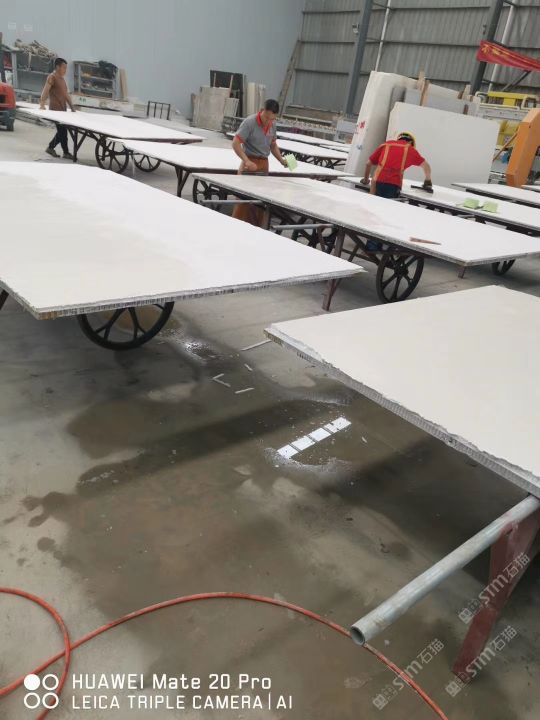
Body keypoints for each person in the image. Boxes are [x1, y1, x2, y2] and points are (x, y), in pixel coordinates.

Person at [231, 99, 288, 225]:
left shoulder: (272, 124)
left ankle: (256, 230)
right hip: (249, 163)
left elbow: (273, 145)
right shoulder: (249, 122)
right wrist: (246, 161)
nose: (267, 121)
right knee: (243, 202)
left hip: (263, 165)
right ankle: (236, 227)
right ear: (262, 110)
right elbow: (235, 143)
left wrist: (281, 160)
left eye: (271, 119)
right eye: (266, 117)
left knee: (260, 204)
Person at [361, 132, 432, 198]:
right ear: (410, 142)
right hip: (393, 185)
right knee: (386, 206)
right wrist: (428, 181)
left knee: (372, 204)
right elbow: (426, 166)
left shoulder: (386, 144)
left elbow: (368, 164)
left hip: (376, 182)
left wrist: (366, 180)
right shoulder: (410, 149)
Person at [40, 57, 76, 159]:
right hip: (55, 110)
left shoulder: (62, 80)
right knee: (63, 132)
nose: (65, 70)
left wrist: (72, 107)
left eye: (66, 68)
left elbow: (66, 95)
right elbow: (45, 90)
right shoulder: (52, 77)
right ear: (57, 67)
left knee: (62, 131)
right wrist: (42, 104)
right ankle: (64, 152)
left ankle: (52, 148)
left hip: (62, 110)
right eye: (64, 67)